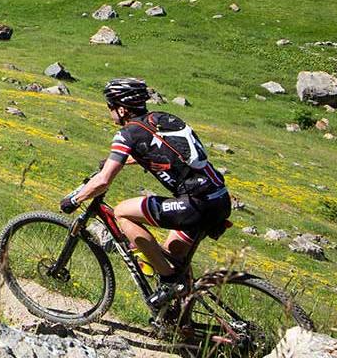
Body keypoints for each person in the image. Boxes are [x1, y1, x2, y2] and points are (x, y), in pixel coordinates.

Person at [60, 77, 231, 312]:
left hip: (195, 204)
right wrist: (118, 161)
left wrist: (74, 199)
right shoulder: (161, 120)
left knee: (122, 212)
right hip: (219, 198)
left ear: (121, 108)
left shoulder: (127, 134)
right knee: (173, 256)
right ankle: (181, 321)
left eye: (110, 107)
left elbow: (103, 181)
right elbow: (161, 152)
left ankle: (170, 283)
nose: (110, 112)